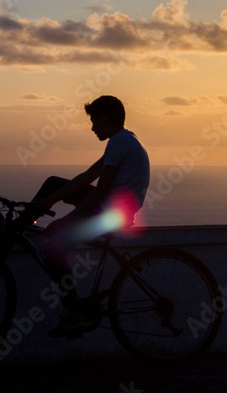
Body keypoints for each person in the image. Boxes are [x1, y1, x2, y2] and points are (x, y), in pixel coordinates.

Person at [24, 95, 150, 337]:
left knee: (53, 250)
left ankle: (76, 312)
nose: (92, 128)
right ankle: (25, 221)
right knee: (53, 184)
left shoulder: (118, 143)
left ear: (104, 119)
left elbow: (100, 192)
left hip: (110, 216)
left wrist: (64, 221)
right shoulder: (124, 140)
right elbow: (87, 177)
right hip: (112, 211)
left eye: (94, 121)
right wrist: (50, 200)